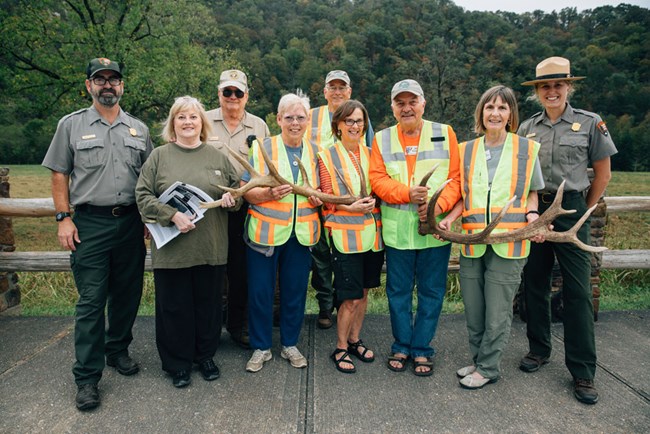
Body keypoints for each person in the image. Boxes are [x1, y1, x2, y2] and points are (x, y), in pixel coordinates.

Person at [42, 57, 153, 411]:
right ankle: (87, 378)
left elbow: (149, 180)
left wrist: (150, 220)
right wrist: (64, 217)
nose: (108, 85)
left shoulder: (139, 129)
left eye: (113, 79)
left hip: (131, 222)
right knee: (91, 300)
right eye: (100, 79)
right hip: (89, 223)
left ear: (122, 86)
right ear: (88, 85)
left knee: (127, 293)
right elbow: (59, 173)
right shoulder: (71, 125)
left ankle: (117, 350)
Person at [518, 57, 617, 404]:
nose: (552, 91)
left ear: (568, 87)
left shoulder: (590, 123)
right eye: (545, 86)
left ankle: (583, 371)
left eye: (558, 85)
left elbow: (602, 173)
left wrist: (584, 209)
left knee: (577, 292)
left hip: (573, 209)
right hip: (535, 209)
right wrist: (531, 213)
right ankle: (538, 349)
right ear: (538, 92)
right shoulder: (527, 128)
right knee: (535, 282)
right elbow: (522, 174)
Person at [437, 85, 544, 389]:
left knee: (497, 312)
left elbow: (533, 191)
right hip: (473, 243)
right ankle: (478, 358)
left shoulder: (526, 149)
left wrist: (533, 216)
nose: (495, 113)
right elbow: (464, 195)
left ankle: (488, 368)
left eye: (502, 108)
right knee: (474, 308)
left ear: (511, 114)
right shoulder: (466, 150)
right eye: (489, 108)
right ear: (481, 113)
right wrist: (450, 218)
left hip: (509, 242)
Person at [136, 96, 240, 388]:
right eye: (181, 117)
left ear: (202, 123)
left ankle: (205, 356)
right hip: (172, 250)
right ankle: (177, 364)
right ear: (173, 123)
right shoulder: (159, 157)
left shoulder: (217, 157)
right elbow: (142, 197)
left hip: (211, 247)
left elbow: (237, 196)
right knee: (174, 307)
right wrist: (171, 215)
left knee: (208, 306)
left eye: (193, 117)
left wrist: (232, 199)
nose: (188, 122)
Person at [369, 79, 461, 376]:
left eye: (412, 101)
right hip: (398, 234)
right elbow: (377, 180)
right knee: (398, 292)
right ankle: (401, 345)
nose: (406, 108)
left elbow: (457, 180)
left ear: (423, 103)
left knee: (432, 292)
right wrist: (407, 194)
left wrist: (438, 206)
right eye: (400, 103)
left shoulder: (445, 133)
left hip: (435, 233)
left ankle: (422, 348)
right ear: (393, 107)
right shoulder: (381, 139)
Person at [242, 92, 323, 373]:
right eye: (289, 117)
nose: (295, 123)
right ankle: (261, 348)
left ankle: (290, 344)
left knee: (295, 292)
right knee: (260, 293)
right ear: (278, 119)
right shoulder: (262, 148)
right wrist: (268, 193)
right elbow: (248, 193)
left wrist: (318, 198)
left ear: (308, 120)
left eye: (300, 117)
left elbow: (323, 191)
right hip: (264, 234)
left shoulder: (316, 152)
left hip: (301, 235)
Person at [318, 100, 384, 374]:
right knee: (349, 297)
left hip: (373, 235)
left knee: (365, 292)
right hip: (345, 236)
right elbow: (323, 197)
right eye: (349, 121)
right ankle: (341, 346)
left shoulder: (373, 153)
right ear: (338, 126)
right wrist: (350, 207)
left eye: (359, 121)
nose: (354, 126)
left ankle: (356, 339)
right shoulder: (326, 156)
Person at [205, 69, 270, 348]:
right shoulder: (202, 120)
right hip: (209, 208)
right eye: (227, 92)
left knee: (240, 272)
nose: (233, 97)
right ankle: (208, 330)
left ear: (246, 96)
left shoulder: (259, 126)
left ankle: (236, 326)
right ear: (219, 93)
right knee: (210, 271)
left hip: (245, 209)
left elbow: (266, 165)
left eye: (238, 92)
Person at [308, 70, 375, 330]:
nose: (336, 91)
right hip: (315, 193)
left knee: (343, 257)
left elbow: (369, 157)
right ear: (324, 91)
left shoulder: (360, 119)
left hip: (351, 204)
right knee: (321, 256)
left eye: (341, 87)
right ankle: (325, 305)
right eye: (332, 87)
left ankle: (341, 304)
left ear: (349, 90)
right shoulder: (311, 116)